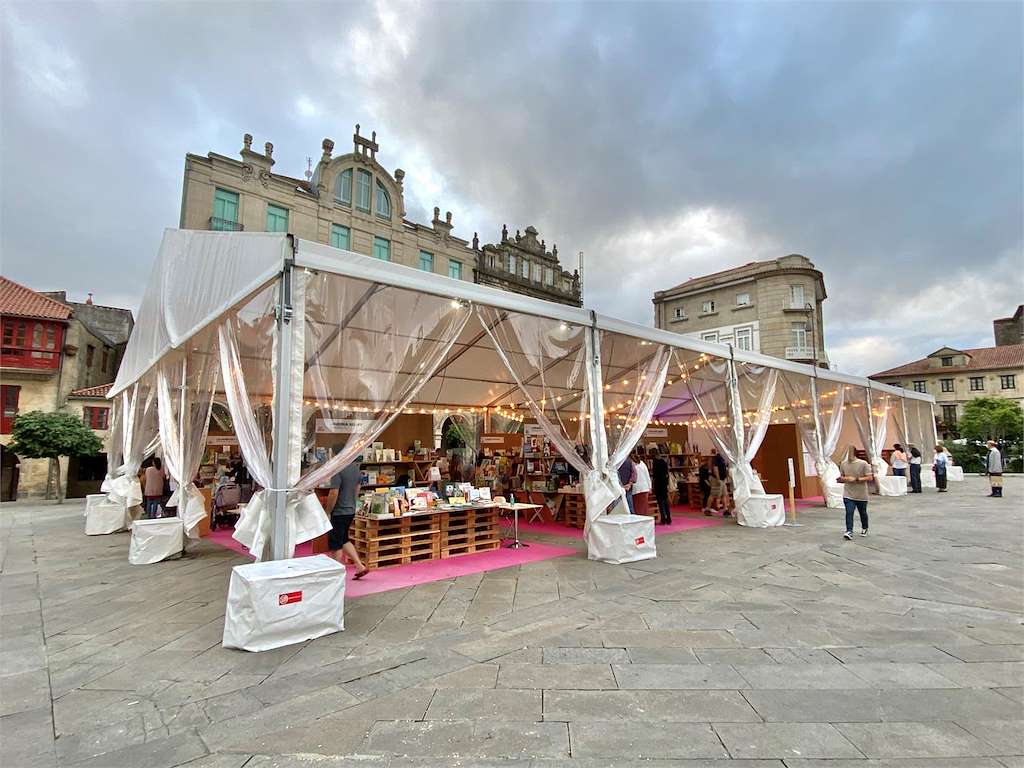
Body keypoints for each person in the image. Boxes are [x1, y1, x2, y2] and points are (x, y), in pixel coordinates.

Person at [324, 455, 369, 579]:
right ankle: (360, 566)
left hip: (338, 511)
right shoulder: (356, 470)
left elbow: (333, 493)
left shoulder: (337, 471)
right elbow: (357, 490)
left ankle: (336, 574)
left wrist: (328, 511)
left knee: (336, 543)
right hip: (350, 510)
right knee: (344, 539)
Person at [838, 445, 874, 540]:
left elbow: (870, 477)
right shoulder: (843, 464)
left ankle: (865, 527)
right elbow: (841, 477)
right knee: (849, 512)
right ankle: (849, 530)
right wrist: (845, 479)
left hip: (861, 493)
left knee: (862, 512)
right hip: (848, 493)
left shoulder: (863, 464)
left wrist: (856, 479)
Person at [651, 448, 671, 525]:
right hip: (664, 484)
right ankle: (668, 518)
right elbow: (667, 473)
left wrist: (653, 485)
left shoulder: (655, 462)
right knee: (665, 502)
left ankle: (663, 518)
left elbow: (655, 475)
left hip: (658, 484)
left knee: (660, 502)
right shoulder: (663, 461)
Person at [631, 450, 652, 522]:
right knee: (644, 507)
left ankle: (640, 522)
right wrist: (650, 487)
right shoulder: (642, 464)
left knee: (637, 508)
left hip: (636, 489)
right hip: (644, 488)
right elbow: (647, 475)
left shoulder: (632, 464)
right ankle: (645, 521)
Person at [710, 449, 732, 517]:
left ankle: (725, 509)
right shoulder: (718, 457)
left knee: (724, 494)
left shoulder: (725, 458)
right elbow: (715, 468)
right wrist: (718, 479)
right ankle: (707, 509)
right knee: (714, 494)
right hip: (717, 479)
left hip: (723, 479)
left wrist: (727, 477)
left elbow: (726, 468)